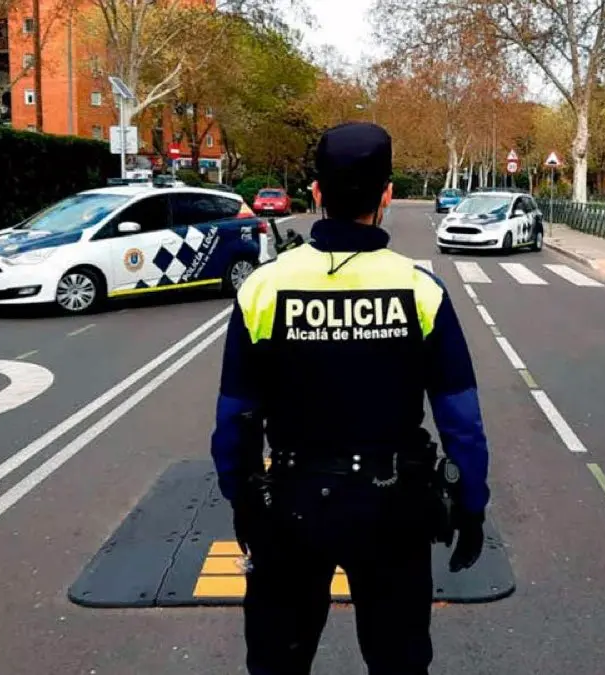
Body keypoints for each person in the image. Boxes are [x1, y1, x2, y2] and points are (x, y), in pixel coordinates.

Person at [210, 121, 491, 675]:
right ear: (386, 196)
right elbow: (462, 419)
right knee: (399, 660)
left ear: (316, 193)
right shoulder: (420, 290)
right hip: (392, 506)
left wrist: (243, 499)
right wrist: (472, 505)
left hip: (290, 504)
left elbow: (235, 416)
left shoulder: (266, 287)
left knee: (278, 660)